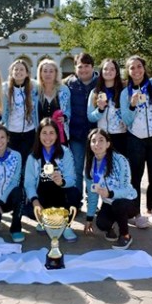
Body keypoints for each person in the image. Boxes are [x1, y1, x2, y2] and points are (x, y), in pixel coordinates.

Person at [120, 55, 152, 227]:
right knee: (135, 178)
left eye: (139, 66)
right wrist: (131, 105)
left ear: (144, 68)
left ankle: (150, 210)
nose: (136, 70)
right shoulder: (125, 92)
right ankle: (136, 213)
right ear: (128, 71)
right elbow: (127, 120)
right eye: (132, 68)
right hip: (135, 139)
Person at [24, 118, 80, 242]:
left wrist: (62, 182)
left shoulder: (65, 152)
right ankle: (44, 221)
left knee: (75, 194)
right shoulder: (33, 156)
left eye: (51, 133)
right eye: (44, 133)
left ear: (57, 135)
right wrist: (35, 201)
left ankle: (66, 225)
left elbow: (72, 178)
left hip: (61, 195)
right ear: (38, 135)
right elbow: (28, 183)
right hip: (43, 196)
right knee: (30, 209)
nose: (48, 137)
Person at [83, 128, 138, 249]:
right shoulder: (90, 164)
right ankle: (111, 226)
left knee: (119, 205)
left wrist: (110, 194)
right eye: (93, 141)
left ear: (108, 144)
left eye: (101, 140)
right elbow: (92, 194)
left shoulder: (120, 160)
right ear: (90, 145)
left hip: (128, 201)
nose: (97, 144)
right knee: (101, 223)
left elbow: (127, 189)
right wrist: (89, 218)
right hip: (109, 203)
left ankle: (125, 236)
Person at [64, 52, 98, 206]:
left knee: (93, 170)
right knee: (77, 169)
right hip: (76, 134)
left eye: (87, 66)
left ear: (92, 67)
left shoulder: (101, 83)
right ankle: (76, 201)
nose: (83, 70)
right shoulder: (68, 84)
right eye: (80, 66)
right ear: (75, 68)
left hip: (96, 135)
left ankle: (93, 201)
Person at [2, 59, 38, 171]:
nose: (18, 72)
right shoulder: (4, 88)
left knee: (27, 164)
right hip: (12, 132)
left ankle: (25, 186)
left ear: (27, 73)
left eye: (22, 69)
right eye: (15, 69)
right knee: (13, 164)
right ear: (11, 72)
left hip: (29, 132)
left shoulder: (34, 87)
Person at [87, 58, 127, 157]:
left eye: (112, 69)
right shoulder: (95, 92)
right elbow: (90, 117)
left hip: (121, 136)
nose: (108, 71)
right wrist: (100, 110)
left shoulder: (124, 91)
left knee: (119, 167)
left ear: (117, 72)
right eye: (105, 69)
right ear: (101, 72)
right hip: (102, 137)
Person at [37, 59, 71, 145]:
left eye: (51, 71)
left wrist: (65, 117)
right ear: (40, 73)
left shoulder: (64, 90)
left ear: (56, 73)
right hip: (40, 134)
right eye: (45, 71)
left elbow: (68, 110)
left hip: (59, 133)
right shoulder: (35, 90)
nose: (48, 74)